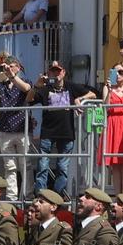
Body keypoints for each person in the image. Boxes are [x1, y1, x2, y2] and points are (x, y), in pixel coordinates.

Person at [27, 61, 78, 198]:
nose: (56, 74)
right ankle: (42, 195)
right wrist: (37, 85)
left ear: (64, 72)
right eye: (53, 71)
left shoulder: (71, 87)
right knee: (43, 165)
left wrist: (79, 100)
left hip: (66, 132)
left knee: (62, 167)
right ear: (49, 73)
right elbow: (29, 99)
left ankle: (56, 196)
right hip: (48, 132)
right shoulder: (45, 89)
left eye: (58, 71)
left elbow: (92, 93)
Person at [0, 55, 32, 195]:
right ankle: (12, 197)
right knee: (9, 166)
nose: (8, 69)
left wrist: (12, 76)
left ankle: (28, 195)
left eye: (11, 66)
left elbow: (26, 89)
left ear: (18, 68)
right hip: (6, 129)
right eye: (6, 67)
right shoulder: (1, 86)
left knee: (26, 165)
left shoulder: (25, 81)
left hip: (22, 128)